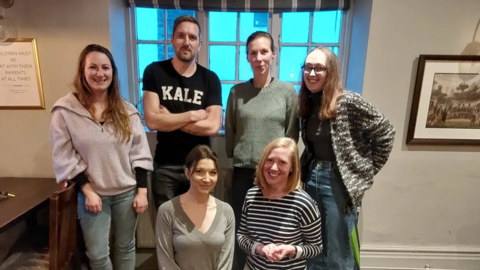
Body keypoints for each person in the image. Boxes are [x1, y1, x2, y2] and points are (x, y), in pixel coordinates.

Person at [50, 44, 153, 270]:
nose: (100, 73)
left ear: (113, 73)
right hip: (92, 195)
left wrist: (142, 192)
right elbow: (64, 156)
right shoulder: (65, 111)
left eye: (105, 67)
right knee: (97, 254)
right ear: (83, 71)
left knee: (126, 247)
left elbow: (141, 154)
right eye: (93, 67)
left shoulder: (127, 111)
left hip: (126, 192)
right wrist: (87, 191)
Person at [298, 46, 396, 270]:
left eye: (319, 68)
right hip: (312, 179)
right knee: (314, 246)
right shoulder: (309, 102)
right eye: (308, 67)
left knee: (338, 249)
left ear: (330, 71)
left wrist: (363, 171)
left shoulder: (349, 101)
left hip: (338, 183)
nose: (312, 73)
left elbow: (386, 133)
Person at [224, 31, 299, 268]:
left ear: (274, 55)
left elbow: (291, 136)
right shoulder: (237, 92)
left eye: (264, 52)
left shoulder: (287, 92)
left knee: (275, 232)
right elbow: (231, 131)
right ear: (247, 57)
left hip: (276, 174)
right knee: (242, 231)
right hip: (244, 172)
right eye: (253, 53)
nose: (259, 58)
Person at [143, 15, 222, 210]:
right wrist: (192, 116)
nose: (186, 42)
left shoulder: (210, 79)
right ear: (172, 39)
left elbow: (212, 127)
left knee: (198, 229)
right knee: (167, 228)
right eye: (181, 36)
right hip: (165, 166)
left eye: (192, 38)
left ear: (200, 44)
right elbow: (152, 121)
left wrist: (169, 118)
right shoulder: (154, 71)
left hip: (200, 167)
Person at [237, 137, 322, 270]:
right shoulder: (251, 196)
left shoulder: (303, 203)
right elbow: (241, 236)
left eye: (282, 162)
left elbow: (316, 247)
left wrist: (291, 250)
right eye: (269, 160)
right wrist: (259, 248)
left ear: (292, 168)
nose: (274, 167)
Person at [155, 145, 235, 270]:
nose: (207, 179)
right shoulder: (167, 210)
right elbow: (165, 260)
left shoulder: (226, 211)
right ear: (187, 173)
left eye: (212, 173)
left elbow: (226, 262)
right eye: (199, 171)